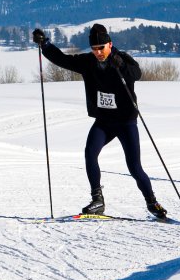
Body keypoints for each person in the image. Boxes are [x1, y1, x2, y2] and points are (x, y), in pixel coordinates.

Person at [31, 23, 168, 220]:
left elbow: (136, 74)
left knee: (134, 166)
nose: (98, 52)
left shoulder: (121, 60)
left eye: (101, 48)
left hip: (125, 122)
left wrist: (120, 64)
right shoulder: (88, 62)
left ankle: (152, 202)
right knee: (90, 154)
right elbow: (63, 60)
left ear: (109, 45)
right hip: (104, 121)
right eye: (94, 49)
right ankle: (98, 200)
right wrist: (45, 45)